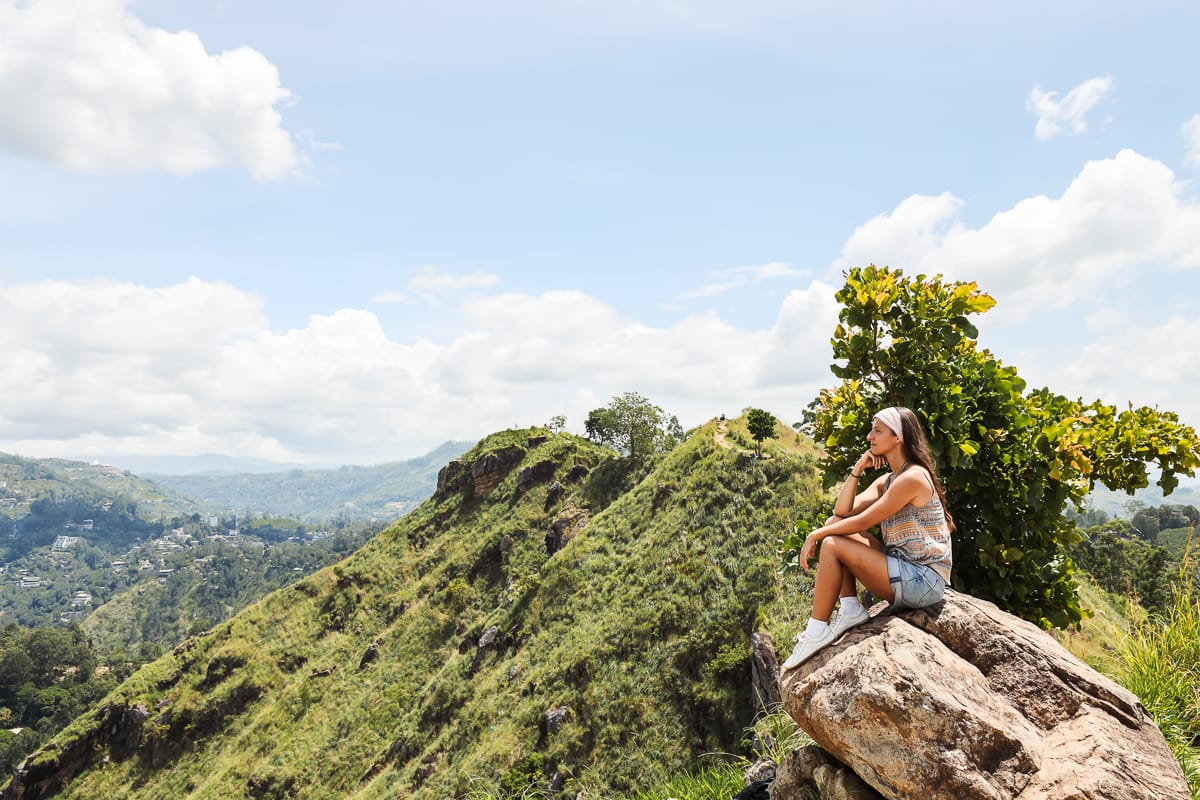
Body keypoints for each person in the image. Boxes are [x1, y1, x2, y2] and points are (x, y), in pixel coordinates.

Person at [782, 406, 954, 670]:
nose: (869, 437)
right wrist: (858, 468)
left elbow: (864, 521)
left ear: (898, 437)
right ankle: (850, 609)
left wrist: (816, 535)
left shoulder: (913, 477)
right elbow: (842, 512)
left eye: (877, 431)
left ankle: (816, 630)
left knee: (831, 541)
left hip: (924, 581)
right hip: (904, 569)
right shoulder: (889, 480)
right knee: (833, 526)